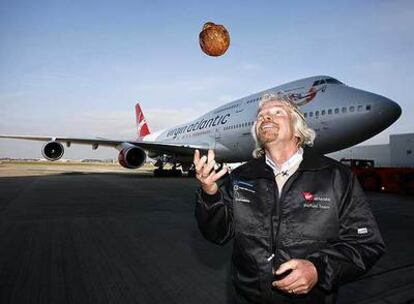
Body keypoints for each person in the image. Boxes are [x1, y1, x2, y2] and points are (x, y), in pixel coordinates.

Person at [193, 93, 385, 304]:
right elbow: (218, 234)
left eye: (277, 112)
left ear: (297, 127)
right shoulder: (241, 176)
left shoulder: (336, 177)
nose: (266, 118)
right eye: (261, 116)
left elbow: (366, 244)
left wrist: (318, 269)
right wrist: (210, 194)